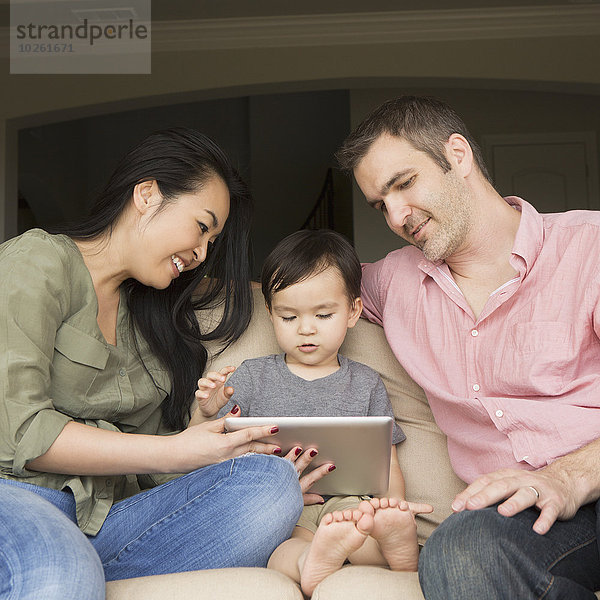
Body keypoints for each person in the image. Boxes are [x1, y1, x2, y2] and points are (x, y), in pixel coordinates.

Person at [0, 128, 312, 599]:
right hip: (19, 496)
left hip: (106, 519)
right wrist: (176, 450)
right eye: (202, 226)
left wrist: (198, 428)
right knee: (64, 573)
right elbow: (19, 430)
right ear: (147, 195)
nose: (202, 253)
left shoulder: (152, 315)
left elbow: (150, 465)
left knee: (272, 484)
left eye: (213, 240)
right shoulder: (39, 260)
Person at [335, 95, 600, 598]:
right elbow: (300, 289)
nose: (395, 215)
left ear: (457, 155)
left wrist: (570, 476)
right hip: (523, 521)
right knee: (460, 552)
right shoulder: (394, 282)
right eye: (379, 204)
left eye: (404, 184)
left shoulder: (590, 247)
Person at [196, 229, 432, 597]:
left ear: (353, 311)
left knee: (366, 532)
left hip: (353, 501)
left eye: (323, 314)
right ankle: (313, 559)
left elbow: (386, 457)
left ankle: (394, 544)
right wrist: (210, 411)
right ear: (271, 314)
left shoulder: (366, 383)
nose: (306, 328)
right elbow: (217, 450)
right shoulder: (253, 375)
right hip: (287, 509)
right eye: (289, 317)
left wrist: (392, 506)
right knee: (279, 553)